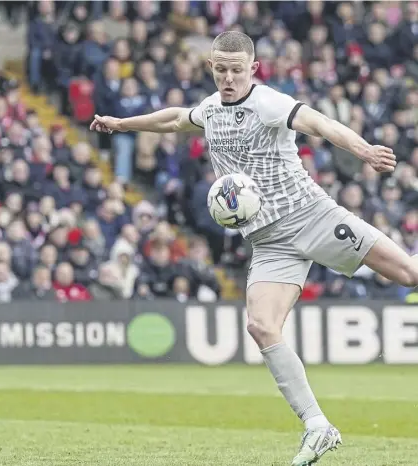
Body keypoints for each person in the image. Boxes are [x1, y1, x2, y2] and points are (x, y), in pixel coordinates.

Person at [91, 31, 417, 466]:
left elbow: (319, 123)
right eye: (220, 70)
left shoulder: (266, 103)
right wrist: (121, 124)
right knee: (261, 327)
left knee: (409, 275)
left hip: (312, 217)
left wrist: (363, 150)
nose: (227, 78)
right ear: (211, 67)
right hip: (268, 242)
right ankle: (318, 426)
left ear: (253, 69)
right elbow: (174, 119)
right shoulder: (211, 109)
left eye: (236, 70)